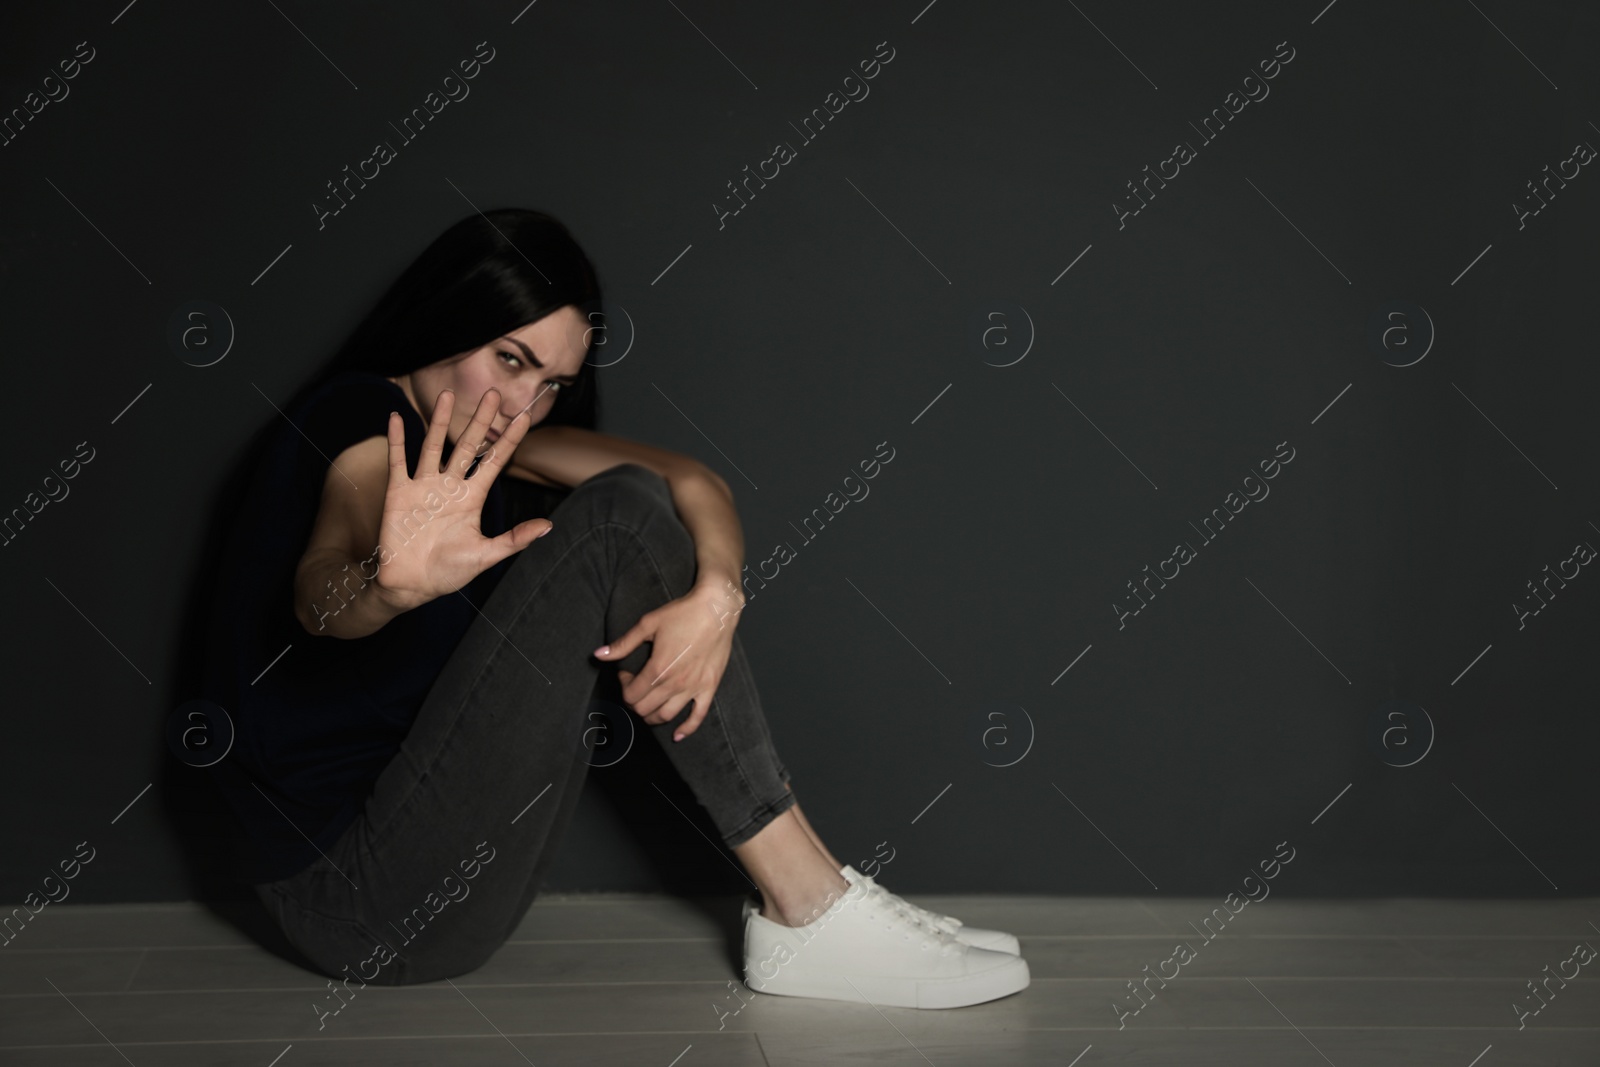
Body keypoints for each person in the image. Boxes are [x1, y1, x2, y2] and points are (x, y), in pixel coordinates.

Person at [200, 208, 1029, 1010]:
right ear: (444, 320)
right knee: (616, 519)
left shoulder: (497, 437)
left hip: (439, 884)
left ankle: (819, 888)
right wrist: (381, 585)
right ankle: (808, 903)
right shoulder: (353, 418)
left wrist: (717, 598)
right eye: (511, 359)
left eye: (554, 383)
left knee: (634, 506)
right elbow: (323, 584)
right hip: (356, 902)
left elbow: (695, 482)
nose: (526, 404)